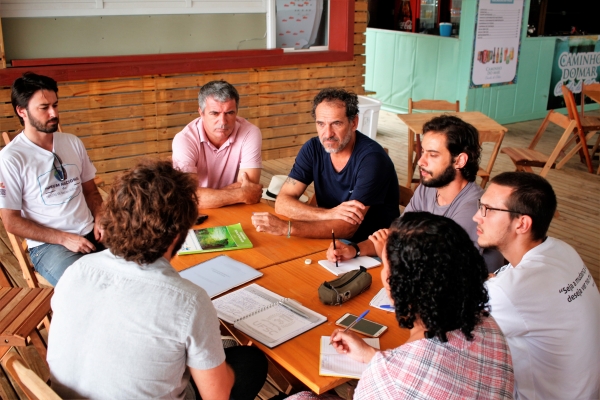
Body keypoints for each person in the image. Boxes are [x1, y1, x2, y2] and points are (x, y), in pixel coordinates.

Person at [47, 160, 268, 400]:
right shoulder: (189, 301)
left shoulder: (77, 270)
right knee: (251, 362)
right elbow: (217, 396)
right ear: (178, 233)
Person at [288, 212, 514, 399]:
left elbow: (401, 383)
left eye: (383, 264)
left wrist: (381, 367)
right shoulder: (485, 323)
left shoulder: (390, 382)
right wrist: (373, 357)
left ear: (397, 284)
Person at [474, 172, 600, 400]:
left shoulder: (511, 290)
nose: (476, 217)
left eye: (488, 210)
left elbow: (447, 330)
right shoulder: (562, 249)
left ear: (522, 223)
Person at [327, 115, 503, 273]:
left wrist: (386, 255)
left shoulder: (474, 208)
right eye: (423, 152)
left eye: (432, 155)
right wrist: (354, 250)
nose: (421, 161)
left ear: (459, 161)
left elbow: (439, 273)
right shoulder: (428, 188)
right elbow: (396, 236)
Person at [251, 88, 399, 242]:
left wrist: (287, 228)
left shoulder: (372, 160)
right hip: (328, 238)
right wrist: (328, 214)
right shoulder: (313, 148)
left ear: (354, 122)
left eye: (336, 124)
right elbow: (282, 203)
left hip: (368, 248)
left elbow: (347, 228)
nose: (327, 134)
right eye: (321, 124)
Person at [0, 72, 104, 285]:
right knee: (86, 287)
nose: (53, 113)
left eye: (55, 105)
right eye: (44, 108)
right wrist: (64, 238)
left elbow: (92, 192)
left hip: (91, 229)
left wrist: (101, 218)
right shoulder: (11, 158)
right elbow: (11, 222)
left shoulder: (72, 142)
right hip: (49, 246)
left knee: (141, 266)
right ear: (22, 111)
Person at [172, 80, 263, 209]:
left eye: (229, 113)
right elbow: (188, 196)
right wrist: (240, 194)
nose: (223, 121)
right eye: (215, 113)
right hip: (196, 212)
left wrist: (207, 197)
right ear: (201, 113)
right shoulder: (185, 139)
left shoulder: (250, 132)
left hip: (235, 207)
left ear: (236, 112)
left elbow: (250, 186)